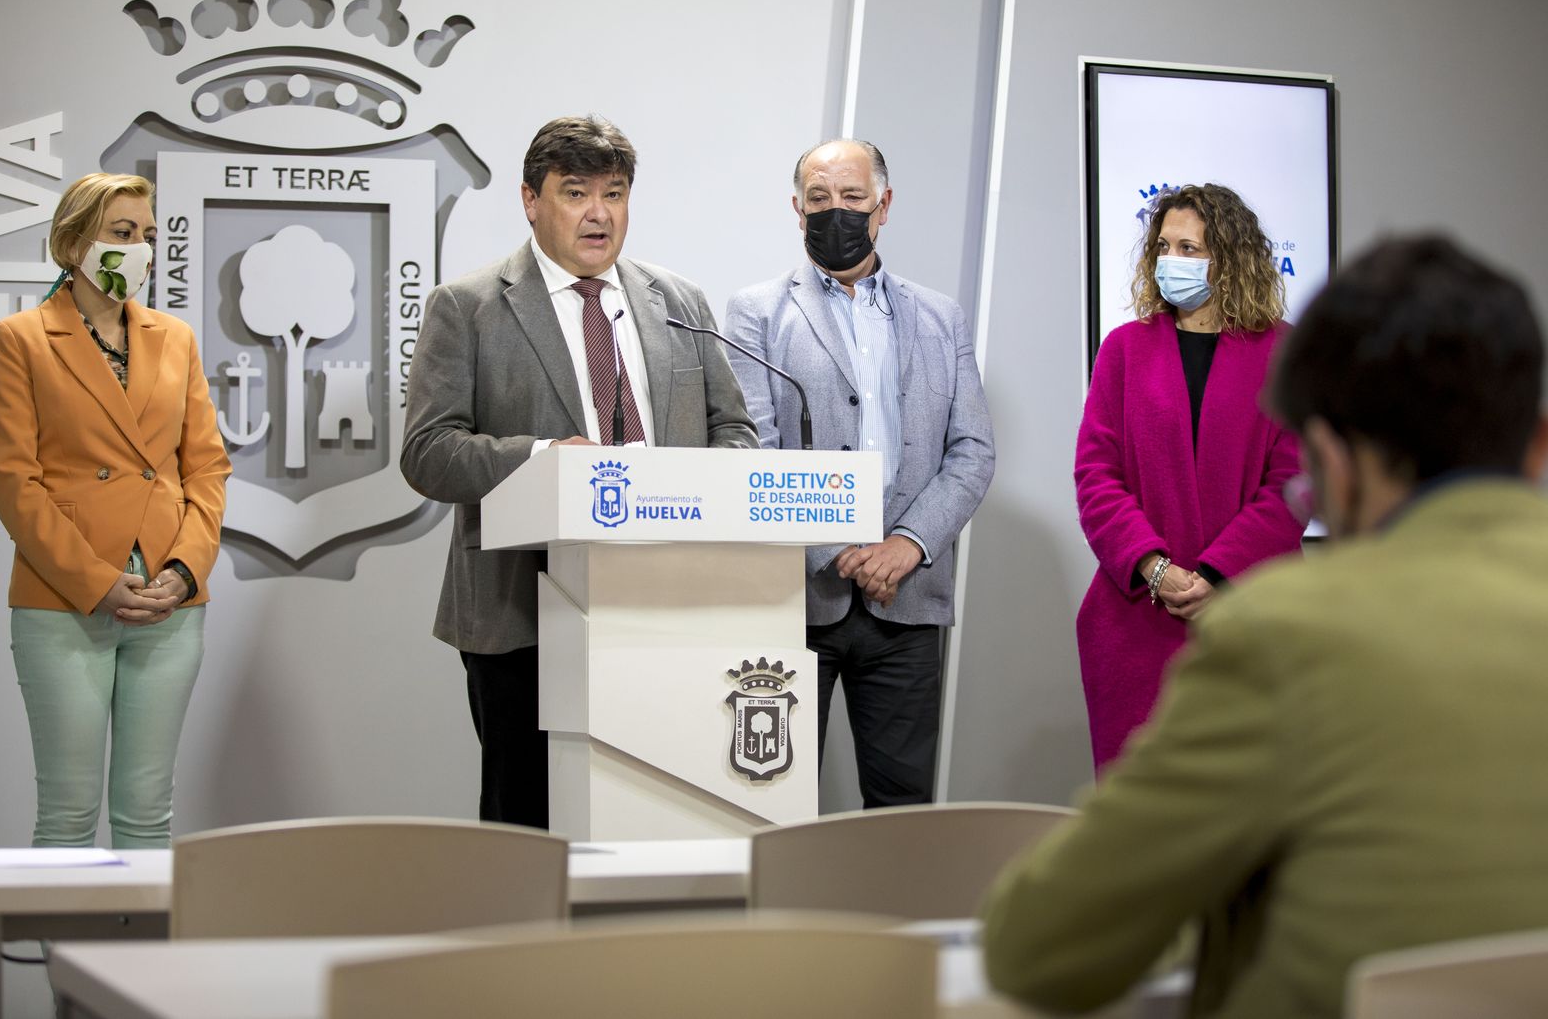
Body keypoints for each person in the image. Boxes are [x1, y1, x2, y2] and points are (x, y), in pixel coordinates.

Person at [982, 236, 1548, 1019]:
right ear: (1538, 445)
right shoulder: (1128, 352)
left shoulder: (1286, 638)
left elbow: (1036, 947)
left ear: (1331, 463)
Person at [400, 115, 757, 829]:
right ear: (531, 201)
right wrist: (543, 460)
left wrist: (692, 488)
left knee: (658, 810)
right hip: (522, 612)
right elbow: (429, 452)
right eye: (575, 193)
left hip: (665, 602)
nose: (599, 214)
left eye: (614, 194)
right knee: (529, 821)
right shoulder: (467, 307)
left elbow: (735, 433)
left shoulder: (679, 302)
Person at [723, 139, 994, 807]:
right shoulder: (757, 311)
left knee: (901, 814)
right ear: (797, 209)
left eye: (851, 197)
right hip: (795, 599)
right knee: (772, 800)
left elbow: (971, 450)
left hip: (909, 598)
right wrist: (837, 546)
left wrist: (906, 544)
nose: (835, 212)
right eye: (819, 199)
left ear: (884, 204)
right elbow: (753, 449)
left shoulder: (940, 316)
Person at [0, 172, 230, 848]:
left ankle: (141, 930)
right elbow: (13, 480)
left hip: (168, 600)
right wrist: (94, 581)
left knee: (148, 814)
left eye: (148, 235)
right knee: (67, 815)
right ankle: (63, 931)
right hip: (64, 599)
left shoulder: (175, 338)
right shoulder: (22, 338)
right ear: (73, 243)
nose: (141, 249)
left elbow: (206, 467)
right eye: (122, 233)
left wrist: (185, 571)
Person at [1076, 183, 1305, 771]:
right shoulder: (1124, 349)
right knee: (1140, 806)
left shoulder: (1285, 353)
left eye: (1189, 249)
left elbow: (1293, 481)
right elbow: (1097, 475)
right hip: (1138, 620)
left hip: (1250, 616)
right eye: (1164, 247)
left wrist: (1217, 572)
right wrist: (1155, 568)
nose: (1171, 260)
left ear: (1228, 258)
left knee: (1245, 806)